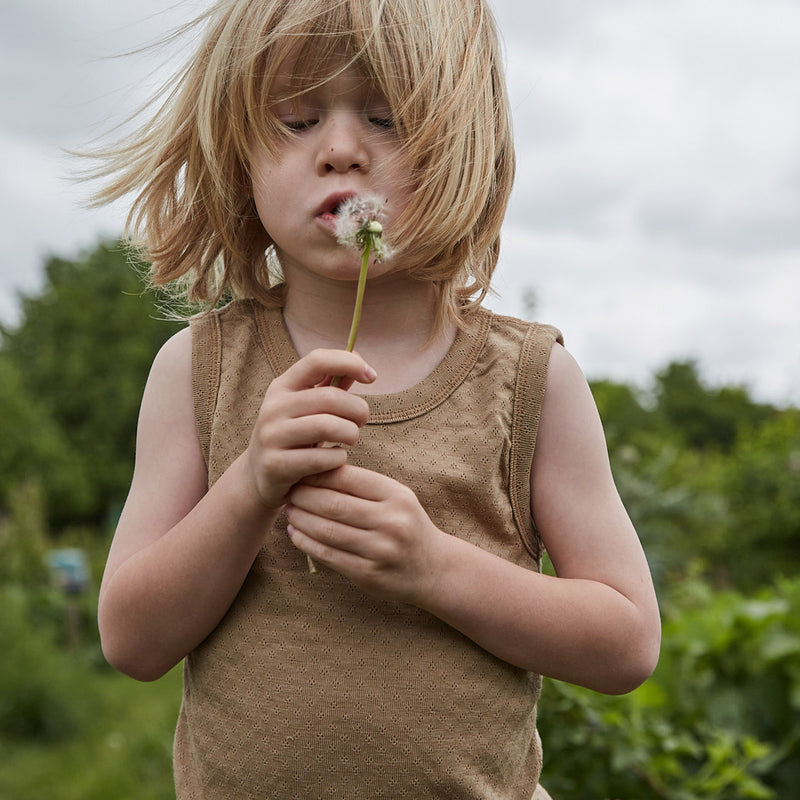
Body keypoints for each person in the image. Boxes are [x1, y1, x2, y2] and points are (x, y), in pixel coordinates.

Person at [94, 0, 661, 797]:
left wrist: (434, 567)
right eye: (295, 119)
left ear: (467, 142)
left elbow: (626, 643)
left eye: (387, 118)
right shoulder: (200, 368)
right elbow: (132, 640)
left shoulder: (532, 379)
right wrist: (251, 484)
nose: (339, 151)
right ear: (237, 152)